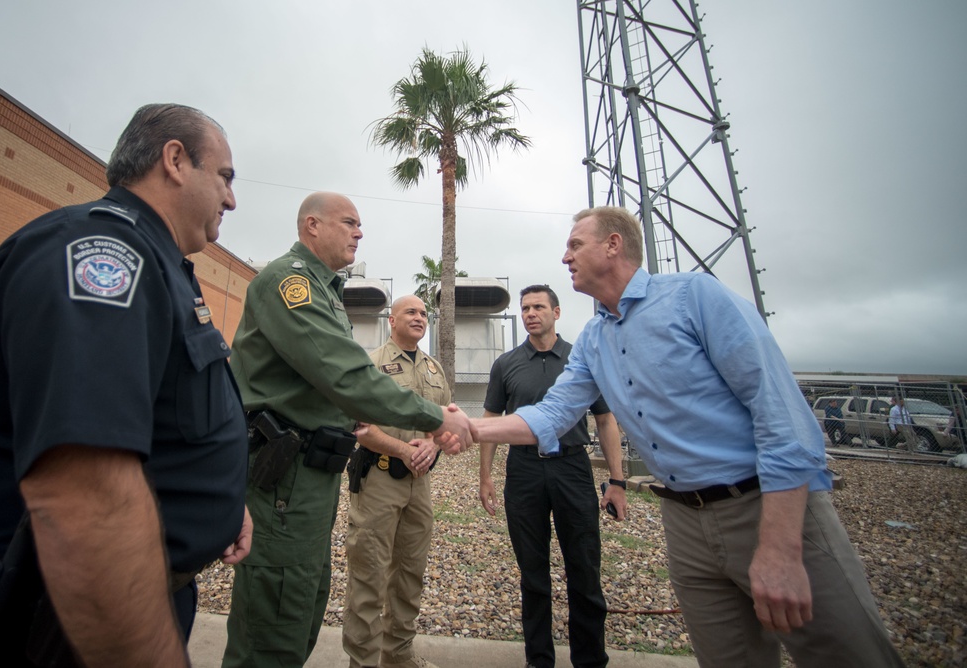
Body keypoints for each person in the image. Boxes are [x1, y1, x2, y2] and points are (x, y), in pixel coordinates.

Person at [454, 207, 905, 668]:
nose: (565, 256)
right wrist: (470, 427)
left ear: (613, 244)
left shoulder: (694, 297)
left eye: (575, 245)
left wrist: (780, 546)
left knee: (848, 655)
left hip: (764, 507)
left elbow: (782, 417)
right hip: (684, 520)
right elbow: (552, 414)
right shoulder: (594, 340)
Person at [0, 103, 252, 667]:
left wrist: (218, 502)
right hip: (74, 612)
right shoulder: (103, 256)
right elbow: (82, 494)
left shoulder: (164, 264)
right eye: (224, 177)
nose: (231, 200)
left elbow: (163, 419)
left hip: (140, 588)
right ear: (175, 160)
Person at [221, 192, 473, 667]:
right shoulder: (289, 283)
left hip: (311, 477)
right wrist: (439, 417)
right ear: (312, 226)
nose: (360, 232)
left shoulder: (325, 290)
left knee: (302, 605)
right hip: (284, 479)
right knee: (275, 619)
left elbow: (335, 385)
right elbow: (346, 376)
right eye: (350, 222)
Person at [477, 284, 625, 668]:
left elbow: (606, 419)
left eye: (538, 306)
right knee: (533, 572)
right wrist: (485, 477)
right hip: (523, 469)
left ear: (556, 312)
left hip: (572, 467)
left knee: (584, 567)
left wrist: (618, 481)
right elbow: (492, 421)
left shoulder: (581, 359)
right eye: (525, 308)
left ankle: (590, 659)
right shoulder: (506, 364)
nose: (530, 313)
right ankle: (538, 659)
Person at [342, 295, 450, 668]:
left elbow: (445, 423)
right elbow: (360, 428)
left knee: (409, 576)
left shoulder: (434, 369)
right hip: (379, 480)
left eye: (423, 313)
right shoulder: (371, 364)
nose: (420, 318)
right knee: (368, 577)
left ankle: (398, 656)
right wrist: (403, 450)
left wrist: (433, 445)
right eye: (411, 312)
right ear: (392, 320)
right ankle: (363, 662)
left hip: (419, 486)